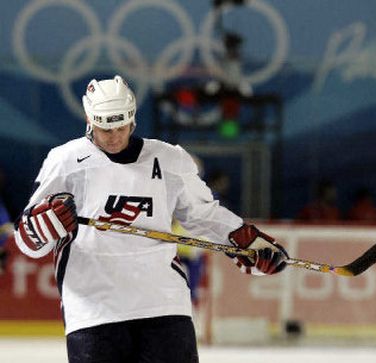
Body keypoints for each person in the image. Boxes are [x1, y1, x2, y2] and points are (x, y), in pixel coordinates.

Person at [13, 75, 287, 363]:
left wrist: (248, 241)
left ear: (133, 118)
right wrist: (38, 229)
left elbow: (204, 214)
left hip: (163, 304)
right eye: (105, 128)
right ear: (89, 119)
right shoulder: (64, 162)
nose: (115, 136)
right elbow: (30, 243)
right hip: (94, 310)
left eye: (121, 126)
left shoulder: (170, 159)